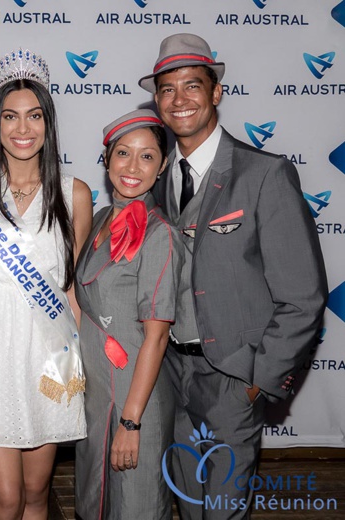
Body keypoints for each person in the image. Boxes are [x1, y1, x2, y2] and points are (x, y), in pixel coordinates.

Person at [140, 33, 327, 519]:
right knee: (186, 506)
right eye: (167, 89)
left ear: (216, 92)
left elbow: (303, 298)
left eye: (192, 86)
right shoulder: (154, 182)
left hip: (231, 378)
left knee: (222, 512)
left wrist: (255, 380)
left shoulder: (264, 174)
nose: (179, 99)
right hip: (168, 377)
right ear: (156, 99)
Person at [0, 49, 92, 519]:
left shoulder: (74, 193)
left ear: (48, 123)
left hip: (48, 353)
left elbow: (70, 286)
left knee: (35, 493)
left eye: (34, 116)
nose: (22, 129)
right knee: (5, 499)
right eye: (10, 116)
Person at [74, 110, 183, 519]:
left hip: (136, 399)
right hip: (97, 396)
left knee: (135, 507)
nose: (132, 167)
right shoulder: (101, 219)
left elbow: (155, 337)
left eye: (147, 156)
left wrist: (131, 423)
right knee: (93, 504)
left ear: (163, 165)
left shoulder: (161, 234)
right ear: (106, 159)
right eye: (123, 153)